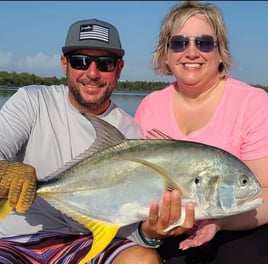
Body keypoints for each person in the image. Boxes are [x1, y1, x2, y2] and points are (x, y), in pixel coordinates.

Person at [0, 18, 195, 264]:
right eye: (80, 61)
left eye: (105, 63)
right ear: (64, 64)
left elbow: (123, 221)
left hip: (87, 244)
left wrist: (152, 234)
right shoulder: (31, 102)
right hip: (17, 241)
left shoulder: (130, 132)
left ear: (119, 69)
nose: (92, 73)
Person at [134, 1, 268, 264]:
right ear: (166, 53)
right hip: (171, 232)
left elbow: (265, 190)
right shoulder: (150, 106)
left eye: (204, 43)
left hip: (239, 232)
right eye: (179, 43)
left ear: (220, 53)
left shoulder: (253, 103)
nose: (191, 52)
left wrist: (220, 223)